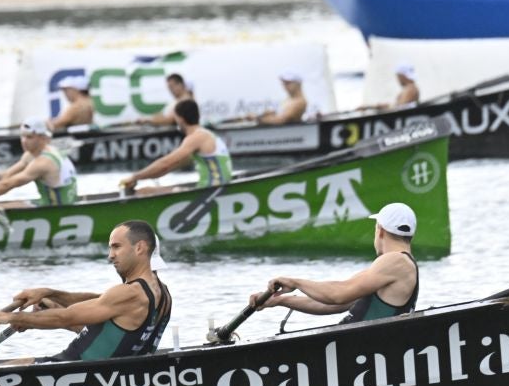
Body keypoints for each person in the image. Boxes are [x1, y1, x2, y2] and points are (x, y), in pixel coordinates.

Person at [0, 220, 171, 363]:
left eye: (116, 247)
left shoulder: (130, 294)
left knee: (1, 370)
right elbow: (110, 329)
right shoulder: (162, 293)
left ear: (140, 248)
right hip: (97, 372)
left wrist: (7, 317)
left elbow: (65, 317)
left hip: (71, 369)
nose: (110, 256)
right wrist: (49, 296)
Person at [251, 202, 419, 324]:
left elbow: (338, 295)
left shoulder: (396, 261)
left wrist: (295, 282)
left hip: (357, 349)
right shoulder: (386, 269)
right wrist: (279, 300)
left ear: (380, 230)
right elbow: (331, 305)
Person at [119, 99, 231, 194]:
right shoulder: (207, 134)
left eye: (175, 117)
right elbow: (166, 169)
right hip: (212, 190)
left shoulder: (196, 138)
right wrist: (143, 177)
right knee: (147, 191)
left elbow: (165, 164)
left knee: (145, 193)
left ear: (180, 119)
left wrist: (135, 177)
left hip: (211, 192)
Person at [0, 118, 77, 208]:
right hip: (49, 203)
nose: (24, 141)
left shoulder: (44, 162)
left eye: (30, 137)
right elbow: (4, 176)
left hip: (57, 208)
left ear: (42, 138)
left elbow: (9, 184)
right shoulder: (31, 155)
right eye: (23, 137)